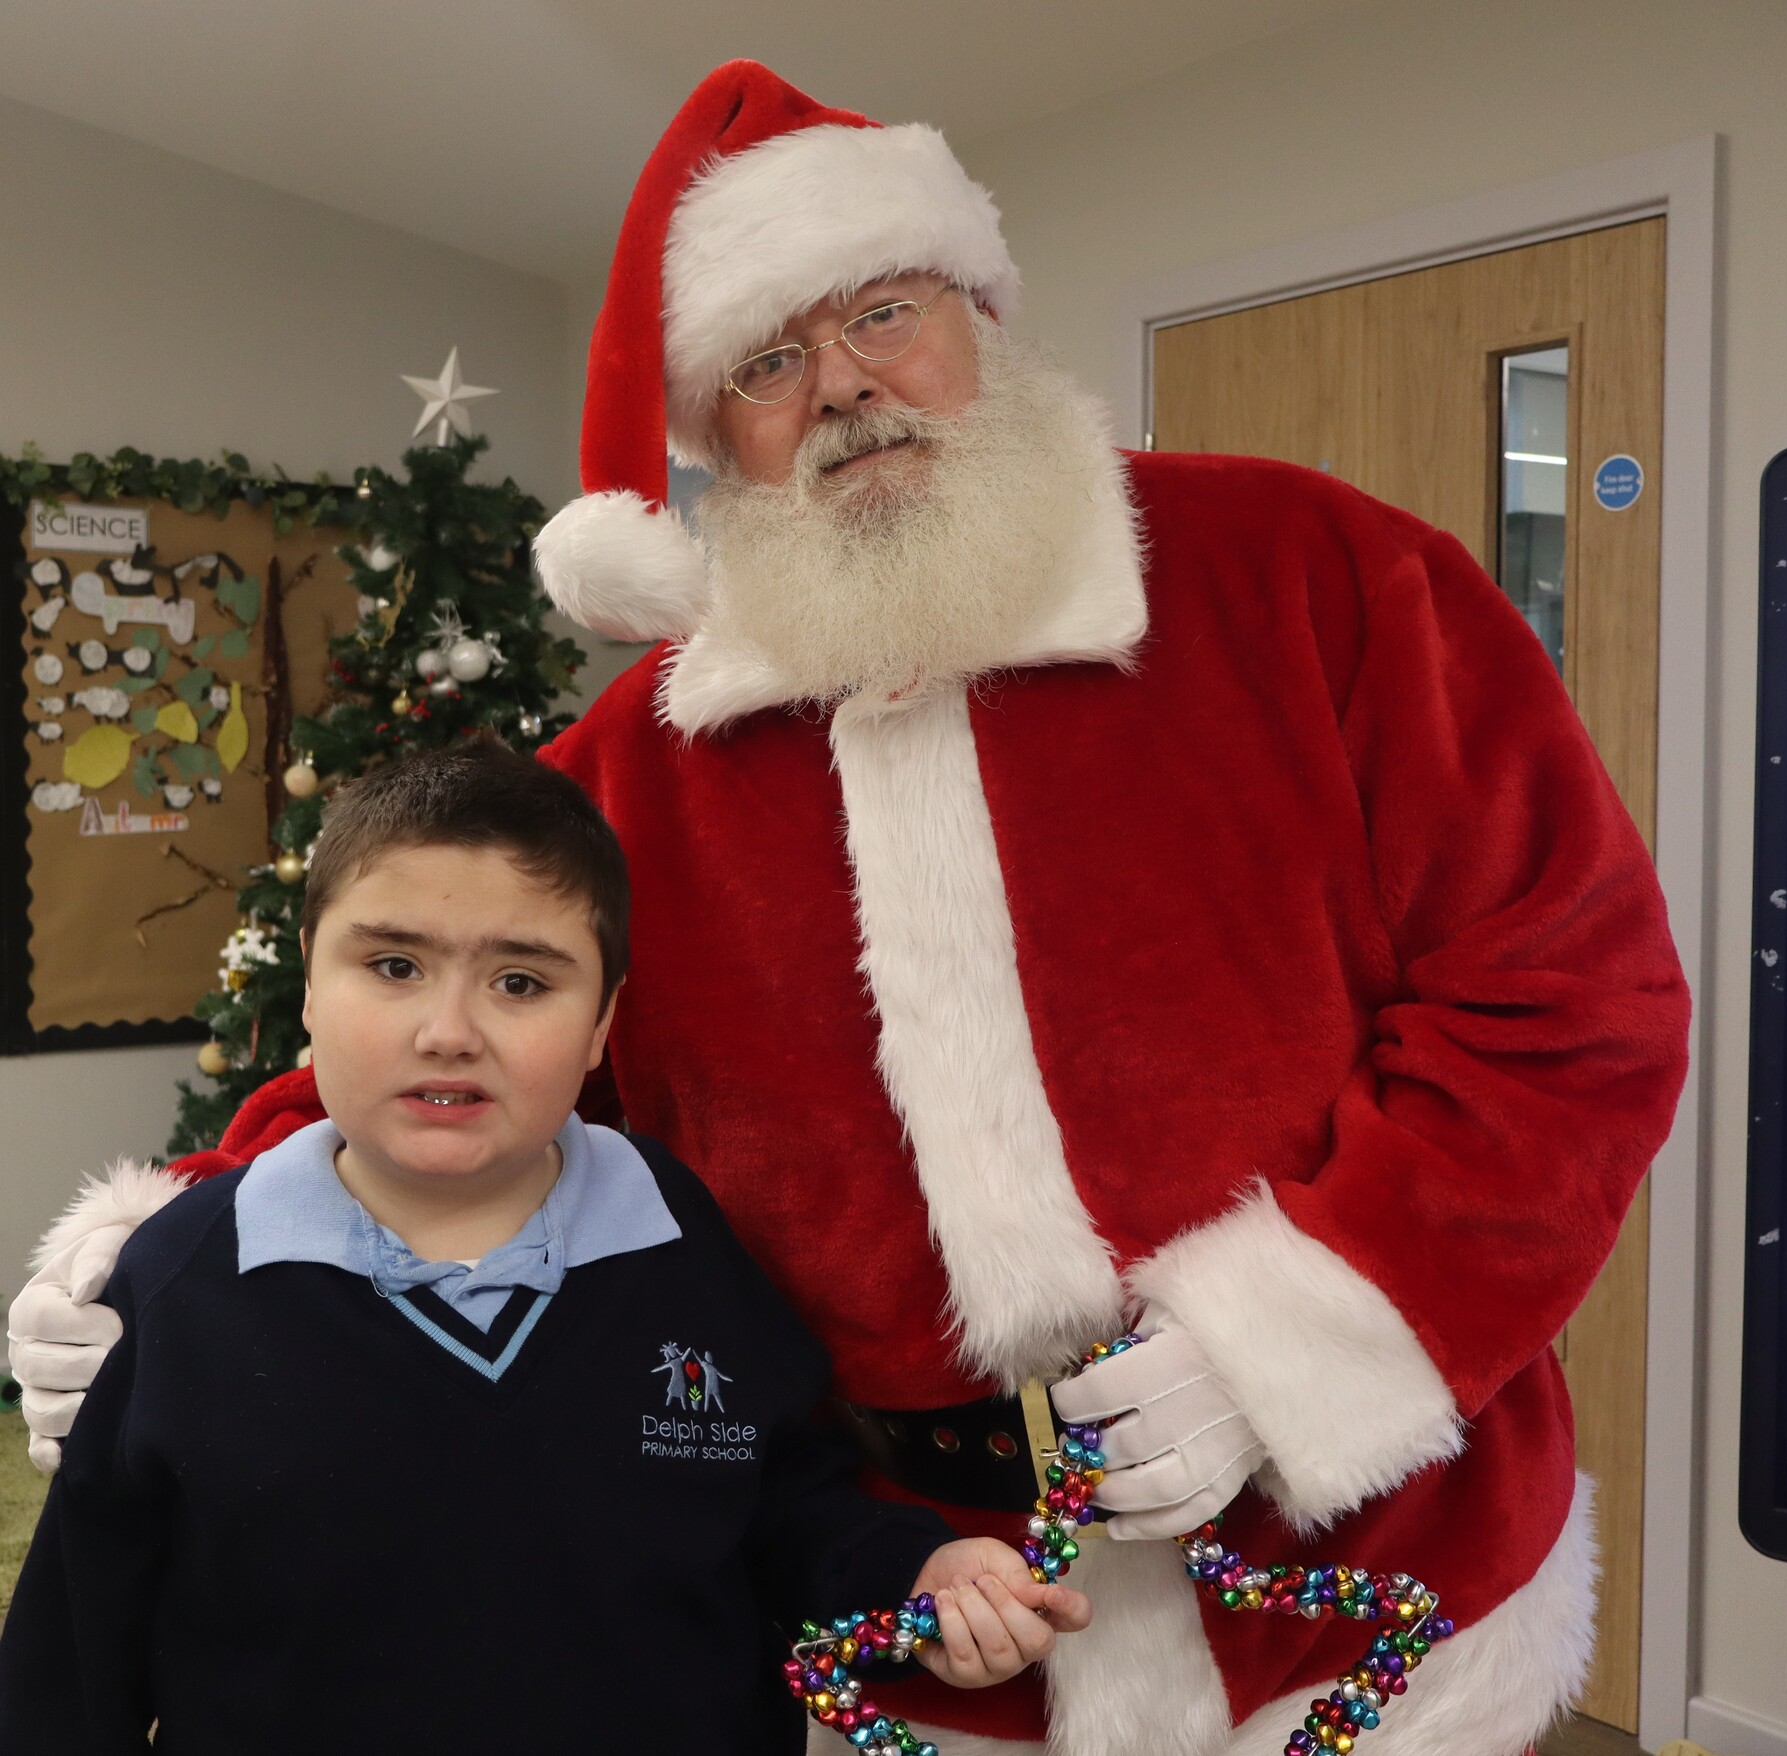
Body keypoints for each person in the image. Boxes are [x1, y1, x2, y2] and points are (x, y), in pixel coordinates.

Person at [9, 60, 1691, 1756]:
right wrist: (176, 1235)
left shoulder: (1324, 578)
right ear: (714, 439)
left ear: (977, 308)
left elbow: (1571, 1003)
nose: (842, 387)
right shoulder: (637, 764)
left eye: (882, 311)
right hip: (921, 1608)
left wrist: (1288, 1341)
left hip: (1365, 1566)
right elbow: (473, 1039)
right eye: (766, 362)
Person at [0, 740, 1089, 1754]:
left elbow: (784, 1500)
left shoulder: (679, 1235)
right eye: (393, 965)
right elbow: (71, 1655)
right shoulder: (184, 1277)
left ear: (604, 1021)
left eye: (520, 982)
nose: (448, 1032)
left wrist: (914, 1571)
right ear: (311, 983)